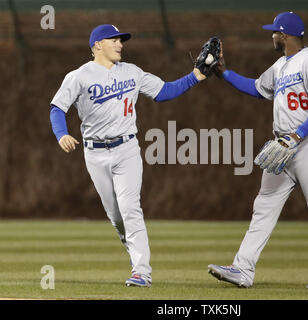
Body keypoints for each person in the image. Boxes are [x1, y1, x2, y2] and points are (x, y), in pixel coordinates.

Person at [49, 24, 207, 287]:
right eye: (114, 40)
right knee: (116, 217)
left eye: (121, 41)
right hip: (94, 153)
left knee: (130, 209)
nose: (120, 44)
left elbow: (164, 91)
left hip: (126, 149)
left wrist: (195, 76)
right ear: (97, 45)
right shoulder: (79, 76)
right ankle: (136, 260)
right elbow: (57, 107)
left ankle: (141, 271)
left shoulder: (132, 72)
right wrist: (61, 134)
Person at [208, 12, 308, 289]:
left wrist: (297, 136)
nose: (271, 35)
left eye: (274, 32)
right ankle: (243, 269)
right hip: (282, 147)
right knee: (264, 207)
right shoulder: (280, 66)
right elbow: (257, 88)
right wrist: (224, 72)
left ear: (284, 35)